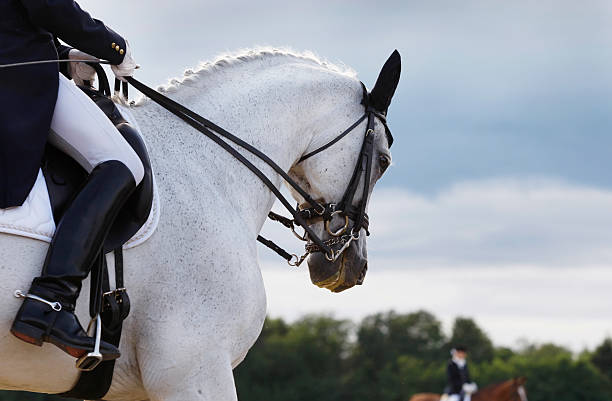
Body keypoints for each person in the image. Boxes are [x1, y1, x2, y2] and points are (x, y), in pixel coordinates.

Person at [1, 0, 145, 362]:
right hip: (16, 82)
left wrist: (64, 54)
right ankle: (51, 299)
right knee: (122, 163)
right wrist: (114, 46)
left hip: (17, 60)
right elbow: (49, 6)